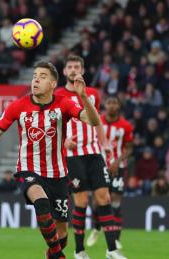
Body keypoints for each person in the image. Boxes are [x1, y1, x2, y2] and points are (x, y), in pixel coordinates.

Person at [0, 61, 101, 259]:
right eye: (35, 75)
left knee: (62, 234)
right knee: (41, 201)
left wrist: (83, 97)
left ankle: (52, 252)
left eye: (42, 76)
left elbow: (94, 121)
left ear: (53, 84)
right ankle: (58, 255)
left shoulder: (64, 103)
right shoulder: (17, 106)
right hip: (29, 170)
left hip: (59, 175)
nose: (36, 79)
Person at [55, 55, 125, 259]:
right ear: (65, 71)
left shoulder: (92, 93)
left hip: (94, 153)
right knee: (82, 201)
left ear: (83, 70)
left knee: (104, 198)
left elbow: (98, 121)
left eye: (77, 66)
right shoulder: (58, 95)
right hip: (72, 156)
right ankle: (79, 251)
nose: (74, 69)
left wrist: (105, 144)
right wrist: (63, 142)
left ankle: (112, 250)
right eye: (70, 67)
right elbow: (53, 126)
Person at [87, 95, 134, 250]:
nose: (112, 105)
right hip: (99, 165)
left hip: (118, 166)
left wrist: (117, 161)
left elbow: (129, 148)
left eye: (115, 103)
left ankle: (116, 238)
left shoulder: (126, 126)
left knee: (115, 201)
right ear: (105, 105)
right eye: (109, 102)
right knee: (96, 201)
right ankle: (96, 228)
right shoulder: (96, 121)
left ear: (119, 106)